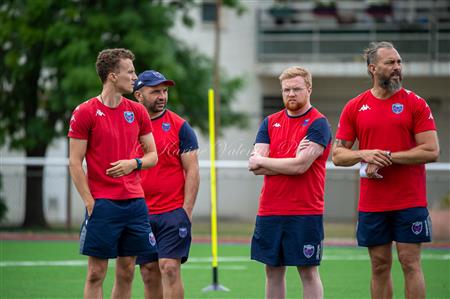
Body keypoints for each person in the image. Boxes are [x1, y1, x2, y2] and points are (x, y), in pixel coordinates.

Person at [332, 41, 439, 299]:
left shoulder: (416, 103)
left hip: (409, 200)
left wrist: (387, 157)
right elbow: (337, 155)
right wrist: (363, 153)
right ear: (372, 68)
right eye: (390, 63)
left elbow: (431, 151)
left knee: (410, 263)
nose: (397, 67)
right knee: (379, 265)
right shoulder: (354, 106)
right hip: (373, 202)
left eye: (399, 62)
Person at [68, 48, 158, 299]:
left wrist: (134, 164)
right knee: (96, 272)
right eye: (129, 72)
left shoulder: (138, 111)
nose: (135, 77)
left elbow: (153, 156)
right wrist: (89, 201)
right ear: (112, 76)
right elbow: (75, 163)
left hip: (135, 203)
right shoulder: (84, 112)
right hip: (102, 204)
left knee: (128, 270)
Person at [248, 66, 331, 299]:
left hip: (304, 210)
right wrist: (289, 161)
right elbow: (255, 166)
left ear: (309, 89)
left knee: (307, 271)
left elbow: (301, 166)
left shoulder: (318, 123)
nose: (291, 94)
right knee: (272, 270)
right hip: (270, 209)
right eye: (286, 90)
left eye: (296, 89)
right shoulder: (269, 122)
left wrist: (269, 161)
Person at [133, 70, 200, 299]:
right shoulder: (127, 125)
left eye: (165, 91)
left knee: (170, 269)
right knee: (149, 272)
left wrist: (186, 210)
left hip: (172, 211)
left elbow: (192, 170)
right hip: (139, 213)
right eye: (155, 91)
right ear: (139, 95)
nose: (162, 96)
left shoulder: (180, 127)